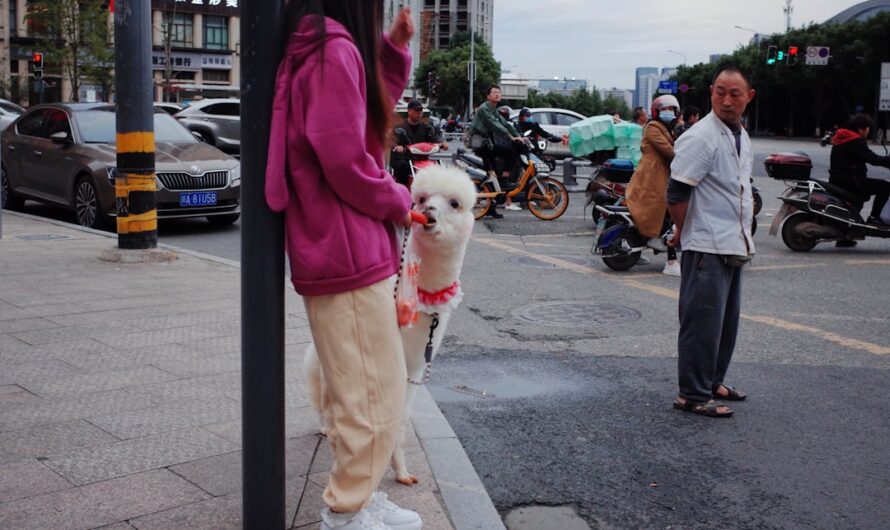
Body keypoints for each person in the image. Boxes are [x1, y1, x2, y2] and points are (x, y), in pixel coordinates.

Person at [265, 2, 422, 529]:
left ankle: (360, 497)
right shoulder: (332, 51)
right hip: (346, 248)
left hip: (336, 247)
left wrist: (393, 48)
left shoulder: (323, 45)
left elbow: (360, 116)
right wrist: (399, 199)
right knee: (374, 392)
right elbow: (346, 157)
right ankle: (348, 511)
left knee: (355, 388)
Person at [666, 65, 757, 418]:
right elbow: (676, 192)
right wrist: (681, 231)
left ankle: (712, 380)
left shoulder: (738, 134)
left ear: (749, 97)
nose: (726, 100)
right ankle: (691, 393)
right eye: (720, 92)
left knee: (724, 323)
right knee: (701, 324)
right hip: (706, 244)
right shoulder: (701, 136)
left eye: (735, 94)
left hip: (732, 243)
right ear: (711, 92)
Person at [625, 94, 681, 276]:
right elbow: (669, 151)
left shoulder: (666, 128)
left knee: (655, 213)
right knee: (665, 212)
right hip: (652, 176)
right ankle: (671, 262)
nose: (670, 112)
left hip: (661, 174)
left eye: (672, 109)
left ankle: (636, 249)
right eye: (666, 109)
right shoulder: (653, 128)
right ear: (657, 112)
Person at [828, 113, 890, 232]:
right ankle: (874, 218)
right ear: (862, 129)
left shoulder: (843, 138)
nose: (868, 132)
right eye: (868, 129)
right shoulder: (855, 141)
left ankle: (846, 235)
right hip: (850, 180)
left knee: (860, 197)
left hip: (839, 179)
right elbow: (872, 159)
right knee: (886, 186)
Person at [470, 85, 524, 215]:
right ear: (488, 96)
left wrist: (518, 136)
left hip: (489, 144)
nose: (497, 95)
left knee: (496, 174)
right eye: (494, 93)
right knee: (496, 171)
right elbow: (495, 125)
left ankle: (491, 206)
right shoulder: (484, 109)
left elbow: (504, 123)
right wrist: (510, 137)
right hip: (481, 145)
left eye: (499, 93)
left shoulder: (494, 110)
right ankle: (500, 183)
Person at [390, 99, 448, 186]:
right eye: (416, 110)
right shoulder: (400, 127)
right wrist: (397, 147)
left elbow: (433, 137)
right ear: (409, 111)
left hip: (421, 159)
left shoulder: (426, 126)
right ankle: (402, 191)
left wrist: (442, 143)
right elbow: (392, 141)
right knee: (402, 166)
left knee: (436, 166)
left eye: (420, 110)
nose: (419, 112)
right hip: (404, 158)